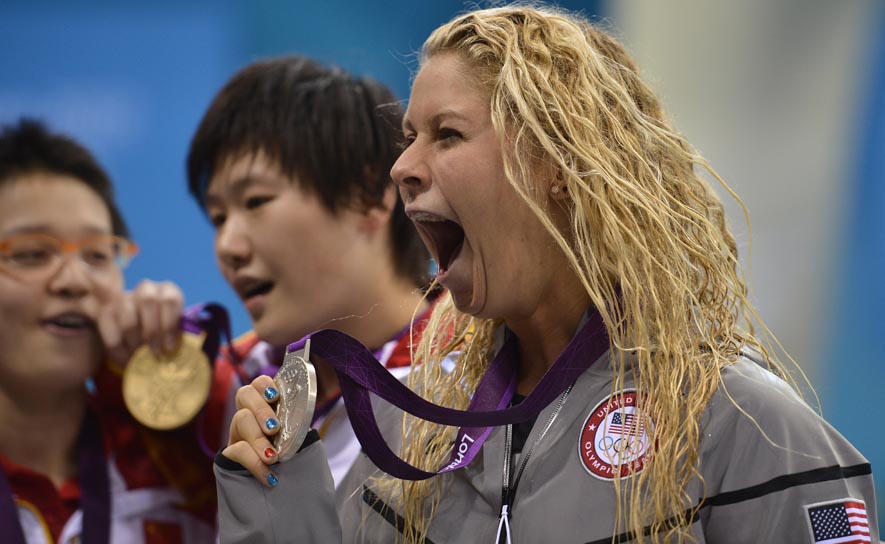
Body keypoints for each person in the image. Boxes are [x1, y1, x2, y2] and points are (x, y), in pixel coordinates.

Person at [213, 5, 880, 544]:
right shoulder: (408, 435)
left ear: (556, 165)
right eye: (407, 138)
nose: (403, 167)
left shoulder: (740, 424)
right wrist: (276, 498)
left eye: (446, 134)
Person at [186, 55, 432, 486]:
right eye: (218, 217)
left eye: (256, 201)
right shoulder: (215, 389)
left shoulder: (491, 372)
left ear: (369, 195)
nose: (227, 247)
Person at [0, 118, 225, 543]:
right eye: (31, 253)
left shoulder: (175, 457)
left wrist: (167, 366)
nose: (74, 280)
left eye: (98, 254)